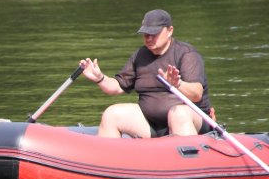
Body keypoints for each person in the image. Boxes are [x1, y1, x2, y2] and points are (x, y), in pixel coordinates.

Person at [80, 9, 212, 138]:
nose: (149, 38)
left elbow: (196, 94)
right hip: (151, 124)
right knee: (111, 114)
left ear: (170, 30)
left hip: (191, 121)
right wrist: (100, 78)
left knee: (178, 114)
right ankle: (109, 158)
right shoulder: (140, 55)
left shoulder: (187, 54)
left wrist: (178, 85)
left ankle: (187, 157)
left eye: (154, 34)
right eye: (146, 34)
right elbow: (118, 86)